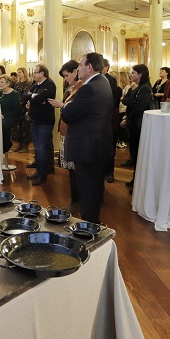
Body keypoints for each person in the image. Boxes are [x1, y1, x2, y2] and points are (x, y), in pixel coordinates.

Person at [59, 53, 114, 223]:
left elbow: (67, 114)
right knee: (94, 189)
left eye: (81, 65)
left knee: (87, 191)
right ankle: (94, 224)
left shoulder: (88, 88)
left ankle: (89, 228)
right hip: (98, 144)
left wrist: (66, 106)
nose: (78, 69)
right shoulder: (103, 81)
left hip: (87, 147)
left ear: (89, 67)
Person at [48, 60, 82, 207]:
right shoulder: (73, 88)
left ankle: (77, 200)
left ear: (76, 72)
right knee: (71, 169)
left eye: (67, 75)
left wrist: (62, 105)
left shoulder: (81, 87)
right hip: (68, 132)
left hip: (76, 134)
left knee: (76, 170)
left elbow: (77, 110)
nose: (65, 79)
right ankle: (74, 199)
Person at [120, 64, 154, 190]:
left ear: (140, 74)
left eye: (133, 73)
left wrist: (127, 120)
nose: (131, 75)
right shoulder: (138, 87)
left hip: (139, 127)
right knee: (135, 154)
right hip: (134, 126)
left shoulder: (144, 89)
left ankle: (139, 183)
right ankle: (136, 180)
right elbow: (127, 102)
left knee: (138, 154)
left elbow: (139, 108)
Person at [23, 62, 56, 186]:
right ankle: (39, 171)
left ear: (42, 74)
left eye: (35, 72)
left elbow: (38, 98)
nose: (33, 74)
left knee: (42, 148)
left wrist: (33, 98)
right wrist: (33, 97)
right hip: (34, 119)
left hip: (44, 121)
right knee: (38, 148)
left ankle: (42, 175)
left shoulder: (50, 84)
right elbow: (24, 97)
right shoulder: (35, 84)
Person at [102, 59, 121, 183]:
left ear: (107, 68)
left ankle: (109, 172)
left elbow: (111, 99)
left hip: (109, 118)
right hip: (98, 118)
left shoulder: (111, 80)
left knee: (109, 146)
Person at [0, 75, 21, 153]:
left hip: (12, 116)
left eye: (2, 82)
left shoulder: (14, 94)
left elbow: (17, 110)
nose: (0, 83)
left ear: (8, 83)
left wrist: (4, 116)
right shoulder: (0, 93)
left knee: (3, 125)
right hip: (0, 116)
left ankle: (5, 147)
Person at [11, 67, 32, 152]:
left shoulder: (28, 84)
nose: (18, 74)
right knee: (17, 127)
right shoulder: (16, 84)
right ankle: (19, 144)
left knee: (25, 127)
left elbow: (27, 95)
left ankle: (25, 145)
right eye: (17, 72)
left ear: (24, 73)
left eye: (20, 72)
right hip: (17, 107)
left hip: (24, 107)